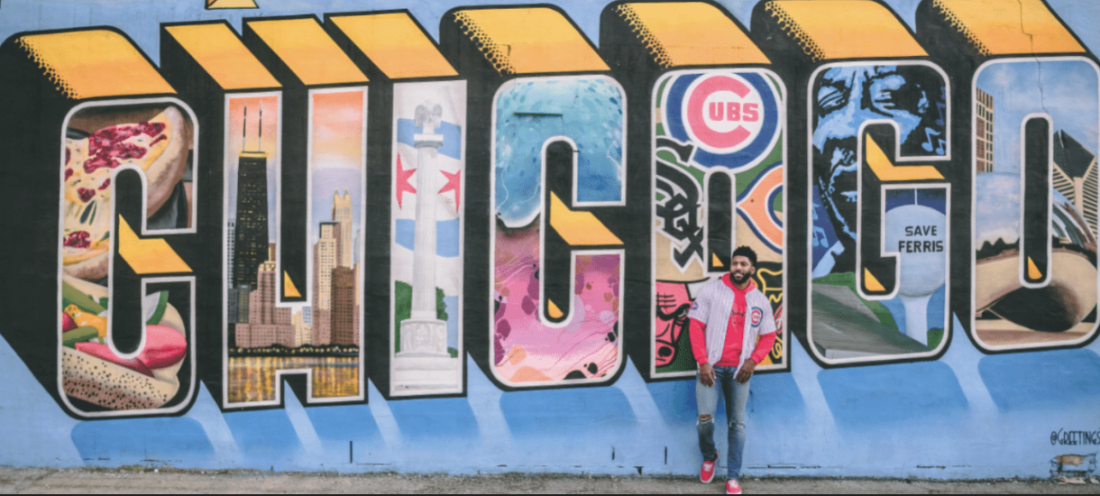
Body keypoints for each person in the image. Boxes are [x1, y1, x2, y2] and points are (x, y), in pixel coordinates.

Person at [688, 246, 777, 495]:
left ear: (752, 269)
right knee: (705, 419)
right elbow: (695, 325)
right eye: (735, 263)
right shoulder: (713, 291)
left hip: (740, 372)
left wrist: (753, 360)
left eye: (744, 264)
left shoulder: (759, 300)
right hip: (711, 369)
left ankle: (733, 476)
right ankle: (709, 455)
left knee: (736, 424)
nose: (738, 267)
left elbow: (769, 335)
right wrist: (703, 361)